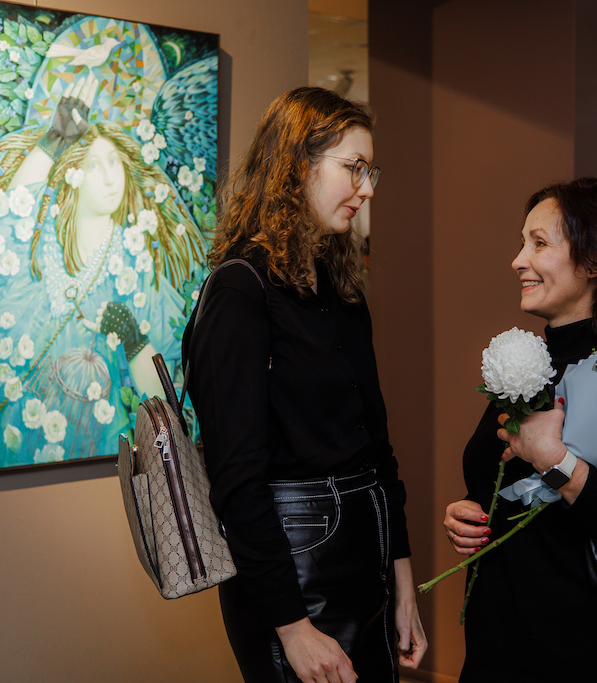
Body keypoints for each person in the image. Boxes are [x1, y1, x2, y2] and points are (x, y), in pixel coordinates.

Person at [183, 87, 426, 683]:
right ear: (296, 166)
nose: (367, 189)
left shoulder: (340, 291)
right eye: (353, 168)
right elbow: (237, 481)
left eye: (371, 171)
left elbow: (378, 451)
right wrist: (292, 628)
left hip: (366, 559)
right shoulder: (240, 292)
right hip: (293, 576)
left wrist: (403, 584)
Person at [0, 75, 205, 478]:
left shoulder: (135, 260)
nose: (110, 176)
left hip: (82, 436)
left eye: (114, 163)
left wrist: (133, 338)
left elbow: (163, 395)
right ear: (73, 175)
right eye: (95, 165)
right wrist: (55, 138)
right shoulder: (39, 233)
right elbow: (8, 209)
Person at [443, 178, 597, 682]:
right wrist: (470, 512)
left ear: (595, 262)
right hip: (503, 642)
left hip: (589, 654)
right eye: (522, 243)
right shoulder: (530, 364)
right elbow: (502, 483)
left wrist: (556, 461)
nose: (518, 260)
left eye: (539, 243)